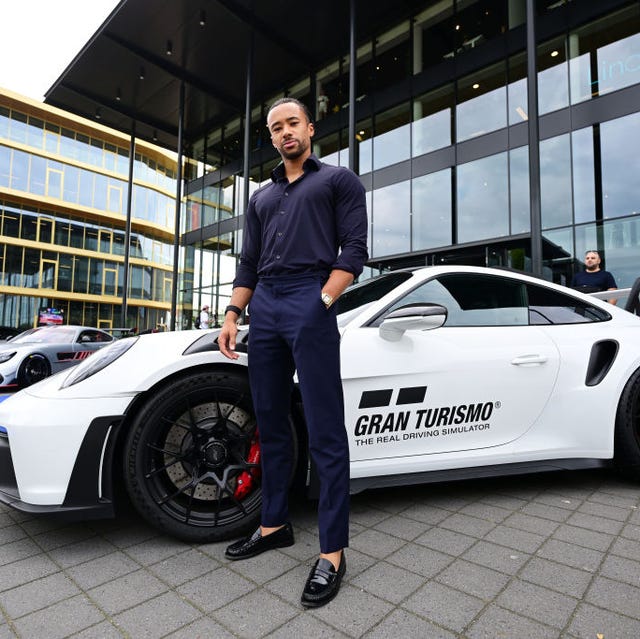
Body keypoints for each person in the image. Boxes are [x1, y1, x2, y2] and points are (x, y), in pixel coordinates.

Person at [218, 97, 368, 608]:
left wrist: (323, 300)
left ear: (309, 127)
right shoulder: (261, 198)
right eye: (276, 128)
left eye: (292, 124)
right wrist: (233, 314)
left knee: (326, 429)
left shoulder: (338, 181)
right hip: (266, 306)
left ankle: (333, 551)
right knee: (271, 423)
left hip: (310, 298)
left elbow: (354, 251)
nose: (285, 133)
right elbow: (249, 261)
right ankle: (275, 523)